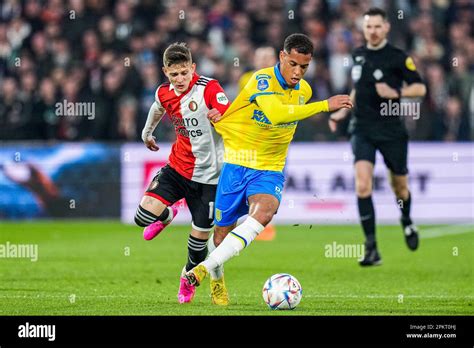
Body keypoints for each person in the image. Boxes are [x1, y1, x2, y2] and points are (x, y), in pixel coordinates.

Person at [184, 33, 352, 289]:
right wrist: (324, 106)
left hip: (269, 169)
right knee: (219, 236)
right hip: (237, 164)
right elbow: (274, 114)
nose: (298, 73)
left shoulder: (303, 91)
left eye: (304, 67)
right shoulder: (260, 79)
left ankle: (202, 269)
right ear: (282, 56)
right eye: (293, 64)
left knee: (264, 213)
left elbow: (279, 112)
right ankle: (217, 280)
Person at [328, 8, 427, 266]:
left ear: (386, 28)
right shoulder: (358, 55)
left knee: (400, 187)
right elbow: (357, 89)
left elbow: (420, 87)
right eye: (368, 26)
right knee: (363, 184)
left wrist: (396, 92)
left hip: (392, 130)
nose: (372, 31)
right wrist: (341, 112)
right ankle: (371, 247)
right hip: (362, 128)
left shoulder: (398, 57)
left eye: (376, 26)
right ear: (363, 29)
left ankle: (406, 221)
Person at [134, 42, 230, 304]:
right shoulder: (164, 92)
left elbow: (225, 108)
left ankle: (186, 280)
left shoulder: (209, 88)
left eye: (184, 73)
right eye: (174, 74)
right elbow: (157, 107)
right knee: (142, 217)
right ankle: (167, 215)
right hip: (177, 168)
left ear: (193, 68)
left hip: (210, 178)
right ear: (165, 71)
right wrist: (147, 132)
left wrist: (219, 114)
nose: (179, 79)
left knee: (198, 247)